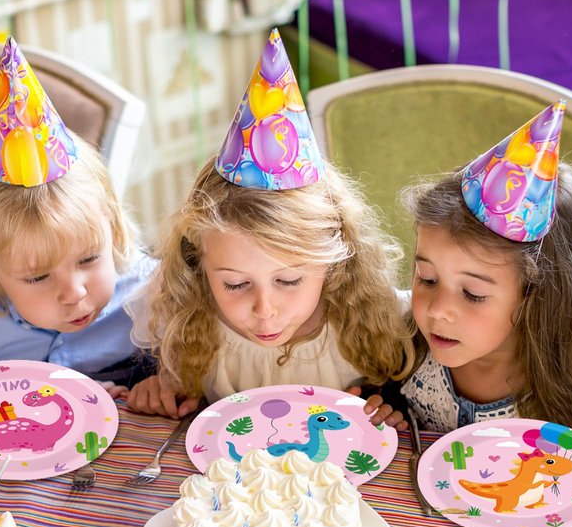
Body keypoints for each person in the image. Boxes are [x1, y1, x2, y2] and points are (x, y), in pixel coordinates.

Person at [127, 29, 413, 425]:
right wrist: (158, 389)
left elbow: (401, 411)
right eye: (235, 284)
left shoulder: (371, 322)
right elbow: (170, 397)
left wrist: (389, 410)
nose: (265, 311)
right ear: (197, 263)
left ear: (335, 262)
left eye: (289, 280)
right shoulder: (184, 317)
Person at [401, 102, 572, 447]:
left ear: (536, 292)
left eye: (472, 293)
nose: (437, 309)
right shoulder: (407, 347)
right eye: (427, 278)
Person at [0, 38, 156, 393]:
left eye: (89, 258)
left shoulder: (152, 293)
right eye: (37, 277)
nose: (74, 293)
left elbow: (199, 364)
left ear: (112, 227)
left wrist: (165, 383)